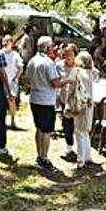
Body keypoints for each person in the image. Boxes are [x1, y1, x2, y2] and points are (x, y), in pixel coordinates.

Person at [24, 36, 71, 173]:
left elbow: (26, 81)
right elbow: (55, 83)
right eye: (53, 47)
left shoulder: (33, 60)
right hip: (45, 101)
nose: (55, 49)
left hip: (35, 99)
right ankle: (44, 159)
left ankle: (40, 156)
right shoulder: (48, 63)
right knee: (46, 132)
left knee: (39, 129)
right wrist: (68, 80)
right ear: (48, 48)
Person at [64, 52, 100, 174]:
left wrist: (67, 102)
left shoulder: (77, 71)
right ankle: (88, 156)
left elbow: (71, 88)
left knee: (79, 131)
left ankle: (80, 160)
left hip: (80, 104)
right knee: (85, 131)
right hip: (89, 104)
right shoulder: (92, 73)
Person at [57, 44, 79, 162]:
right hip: (64, 99)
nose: (67, 56)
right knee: (67, 125)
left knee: (78, 125)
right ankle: (69, 148)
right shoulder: (59, 65)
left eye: (70, 54)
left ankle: (79, 149)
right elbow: (55, 81)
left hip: (77, 100)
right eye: (65, 54)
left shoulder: (79, 66)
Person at [1, 34, 24, 129]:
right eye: (4, 41)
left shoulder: (15, 55)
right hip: (1, 81)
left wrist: (16, 78)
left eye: (8, 41)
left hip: (12, 82)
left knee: (12, 101)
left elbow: (21, 67)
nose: (6, 43)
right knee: (1, 101)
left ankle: (13, 120)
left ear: (12, 43)